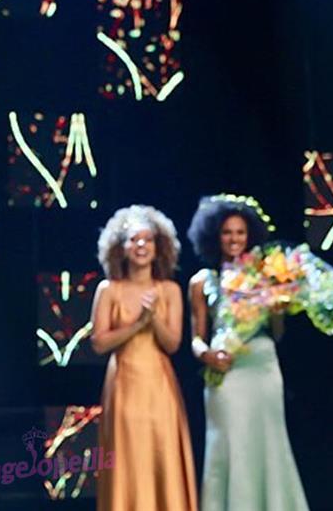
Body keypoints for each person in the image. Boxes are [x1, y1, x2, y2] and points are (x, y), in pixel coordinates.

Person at [187, 195, 308, 511]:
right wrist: (208, 356)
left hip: (262, 366)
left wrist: (276, 306)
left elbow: (277, 333)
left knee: (268, 443)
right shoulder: (202, 281)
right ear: (215, 236)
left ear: (250, 236)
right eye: (227, 232)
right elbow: (196, 339)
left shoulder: (264, 275)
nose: (234, 239)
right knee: (229, 445)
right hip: (225, 370)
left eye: (240, 232)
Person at [91, 205, 197, 511]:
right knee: (128, 458)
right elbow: (99, 343)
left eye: (147, 240)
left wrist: (154, 320)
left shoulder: (170, 290)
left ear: (158, 246)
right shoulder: (108, 289)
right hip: (124, 385)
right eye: (133, 240)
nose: (141, 246)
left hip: (160, 387)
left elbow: (173, 343)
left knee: (161, 454)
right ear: (120, 248)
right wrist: (138, 323)